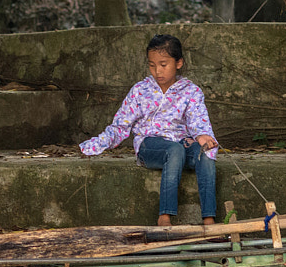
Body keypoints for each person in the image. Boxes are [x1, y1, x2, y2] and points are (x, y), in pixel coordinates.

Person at [79, 34, 219, 225]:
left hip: (181, 144)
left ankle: (209, 220)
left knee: (205, 152)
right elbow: (121, 125)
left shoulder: (191, 91)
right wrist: (97, 144)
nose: (157, 71)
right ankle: (165, 217)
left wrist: (203, 136)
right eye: (152, 65)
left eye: (163, 64)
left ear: (179, 63)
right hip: (150, 146)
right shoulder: (140, 90)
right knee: (174, 150)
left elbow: (198, 120)